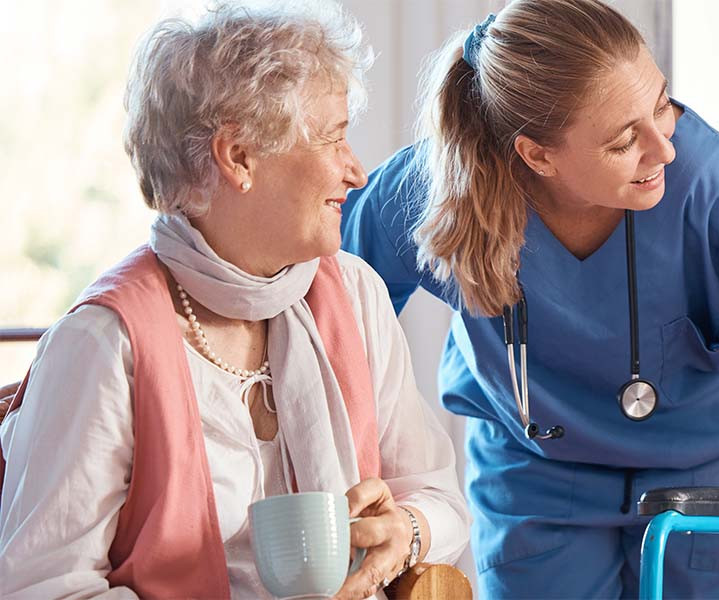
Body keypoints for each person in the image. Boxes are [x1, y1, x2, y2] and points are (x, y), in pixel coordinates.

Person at [340, 0, 719, 596]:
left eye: (662, 104)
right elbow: (328, 313)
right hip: (536, 469)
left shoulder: (712, 185)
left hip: (705, 463)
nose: (664, 148)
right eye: (622, 140)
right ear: (537, 154)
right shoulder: (432, 193)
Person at [0, 4, 468, 598]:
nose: (356, 170)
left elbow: (438, 494)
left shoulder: (353, 292)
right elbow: (45, 587)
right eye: (333, 138)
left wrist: (405, 528)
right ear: (238, 158)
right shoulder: (102, 344)